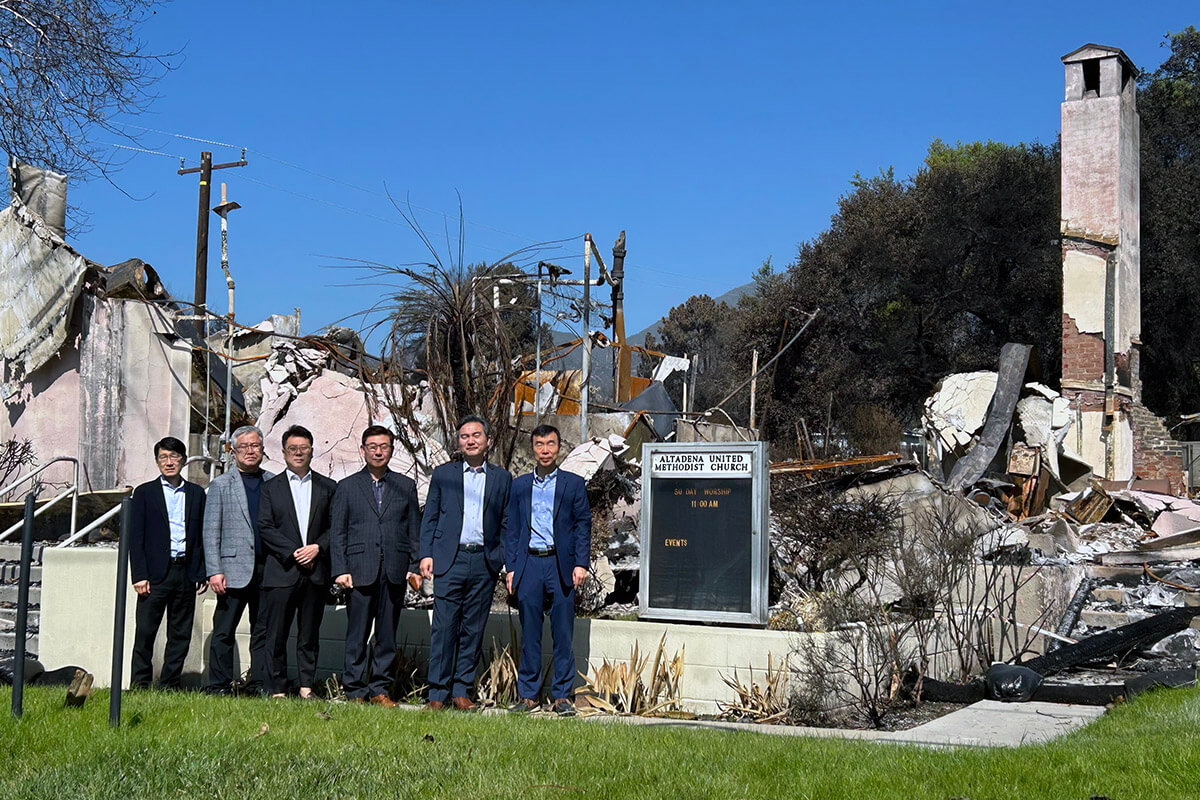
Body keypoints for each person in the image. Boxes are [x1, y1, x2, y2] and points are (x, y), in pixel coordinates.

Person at [419, 415, 512, 711]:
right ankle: (437, 693)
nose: (470, 440)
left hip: (484, 561)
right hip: (451, 560)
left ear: (487, 440)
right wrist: (426, 554)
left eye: (476, 435)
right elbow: (430, 517)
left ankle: (461, 691)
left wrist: (504, 562)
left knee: (473, 628)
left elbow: (507, 523)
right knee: (444, 628)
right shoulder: (444, 475)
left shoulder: (501, 478)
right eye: (464, 436)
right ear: (458, 442)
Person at [330, 425, 421, 707]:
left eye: (384, 446)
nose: (378, 451)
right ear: (363, 450)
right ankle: (355, 690)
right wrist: (340, 569)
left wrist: (414, 566)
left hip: (393, 569)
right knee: (357, 634)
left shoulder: (405, 486)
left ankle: (380, 689)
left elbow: (413, 531)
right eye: (372, 446)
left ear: (391, 450)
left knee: (386, 635)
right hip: (359, 571)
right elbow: (338, 532)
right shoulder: (346, 487)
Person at [505, 424, 591, 715]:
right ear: (533, 448)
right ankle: (528, 695)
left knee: (563, 632)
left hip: (560, 565)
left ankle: (562, 697)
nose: (545, 450)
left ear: (558, 447)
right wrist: (511, 568)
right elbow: (512, 529)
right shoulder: (519, 486)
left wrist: (581, 563)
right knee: (529, 632)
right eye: (540, 444)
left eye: (551, 444)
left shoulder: (573, 484)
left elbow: (582, 526)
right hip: (529, 564)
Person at [258, 425, 336, 699]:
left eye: (303, 448)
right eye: (293, 448)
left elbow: (335, 527)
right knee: (276, 634)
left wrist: (317, 548)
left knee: (309, 635)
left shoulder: (328, 487)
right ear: (284, 452)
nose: (298, 453)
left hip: (315, 572)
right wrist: (294, 552)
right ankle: (277, 688)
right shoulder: (270, 489)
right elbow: (265, 527)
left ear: (312, 451)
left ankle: (306, 687)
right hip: (282, 571)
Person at [127, 437, 207, 690]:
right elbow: (135, 537)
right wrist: (139, 575)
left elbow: (201, 535)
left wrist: (202, 571)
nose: (169, 462)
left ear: (183, 460)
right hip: (154, 574)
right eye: (163, 457)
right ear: (157, 461)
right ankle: (140, 683)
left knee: (180, 633)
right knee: (145, 632)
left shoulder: (196, 493)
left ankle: (170, 684)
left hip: (186, 572)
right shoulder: (144, 493)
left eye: (174, 457)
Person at [203, 425, 274, 695]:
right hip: (232, 570)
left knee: (263, 630)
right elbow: (210, 531)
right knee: (224, 631)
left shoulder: (273, 481)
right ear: (233, 451)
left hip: (267, 568)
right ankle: (218, 685)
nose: (250, 451)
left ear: (262, 449)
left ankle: (258, 683)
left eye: (254, 446)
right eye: (243, 447)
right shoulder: (221, 485)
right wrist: (214, 570)